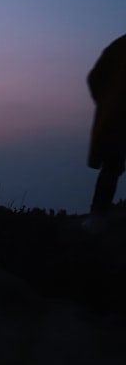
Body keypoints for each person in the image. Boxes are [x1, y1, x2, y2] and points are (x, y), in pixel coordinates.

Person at [85, 34, 126, 229]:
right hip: (117, 114)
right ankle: (98, 218)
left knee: (111, 165)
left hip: (114, 115)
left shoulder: (119, 45)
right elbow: (95, 78)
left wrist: (106, 100)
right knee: (112, 164)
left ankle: (97, 218)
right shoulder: (120, 46)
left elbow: (94, 77)